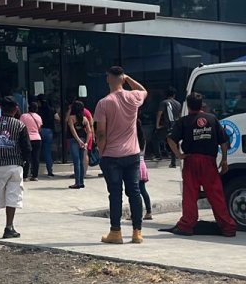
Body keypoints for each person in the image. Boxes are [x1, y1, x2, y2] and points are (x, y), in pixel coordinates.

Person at [164, 92, 237, 238]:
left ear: (188, 105)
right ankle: (228, 227)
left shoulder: (183, 121)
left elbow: (170, 139)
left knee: (190, 195)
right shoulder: (212, 119)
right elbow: (223, 141)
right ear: (201, 104)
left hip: (191, 160)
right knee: (216, 194)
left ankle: (187, 225)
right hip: (209, 161)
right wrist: (224, 160)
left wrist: (179, 155)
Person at [94, 66, 149, 245]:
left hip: (111, 155)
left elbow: (101, 133)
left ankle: (115, 232)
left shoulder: (104, 103)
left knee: (115, 194)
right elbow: (143, 90)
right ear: (123, 78)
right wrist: (129, 78)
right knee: (134, 192)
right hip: (132, 153)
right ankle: (137, 232)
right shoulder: (133, 97)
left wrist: (101, 152)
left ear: (108, 78)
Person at [0, 97, 31, 239]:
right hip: (15, 164)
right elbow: (26, 147)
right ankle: (9, 227)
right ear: (15, 109)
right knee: (13, 196)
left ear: (2, 108)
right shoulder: (20, 125)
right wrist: (25, 162)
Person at [65, 100, 92, 190]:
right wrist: (86, 142)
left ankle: (77, 182)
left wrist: (78, 140)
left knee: (76, 162)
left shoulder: (71, 118)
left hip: (74, 141)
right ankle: (81, 182)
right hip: (84, 140)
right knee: (81, 161)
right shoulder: (85, 119)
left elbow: (73, 131)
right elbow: (89, 132)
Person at [154, 88, 182, 166]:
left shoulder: (164, 103)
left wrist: (157, 125)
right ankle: (173, 162)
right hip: (175, 126)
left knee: (155, 139)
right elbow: (180, 116)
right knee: (173, 142)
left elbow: (159, 114)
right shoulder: (178, 104)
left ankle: (158, 155)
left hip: (166, 125)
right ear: (174, 95)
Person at [19, 102, 43, 181]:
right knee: (36, 157)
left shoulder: (23, 116)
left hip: (27, 138)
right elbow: (39, 128)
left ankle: (25, 175)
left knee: (26, 157)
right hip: (37, 138)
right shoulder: (38, 117)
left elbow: (20, 126)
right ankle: (35, 175)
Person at [37, 95, 57, 177]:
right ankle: (50, 170)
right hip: (49, 131)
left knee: (36, 151)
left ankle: (34, 170)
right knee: (47, 151)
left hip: (40, 130)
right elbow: (58, 118)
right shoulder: (52, 109)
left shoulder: (38, 110)